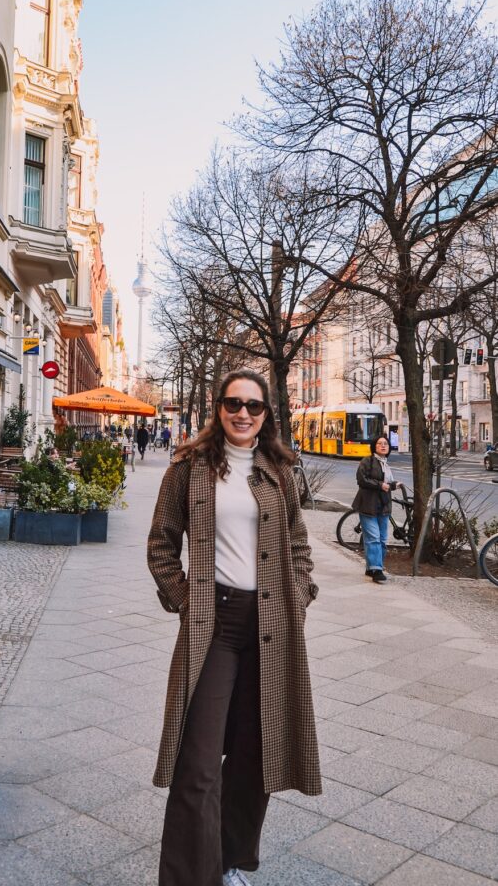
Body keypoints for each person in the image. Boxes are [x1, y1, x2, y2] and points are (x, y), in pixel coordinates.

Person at [147, 369, 321, 886]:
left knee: (255, 752)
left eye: (254, 406)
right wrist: (187, 601)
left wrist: (299, 597)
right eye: (233, 403)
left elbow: (298, 545)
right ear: (218, 408)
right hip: (215, 625)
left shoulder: (280, 470)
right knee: (199, 762)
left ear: (266, 414)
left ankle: (228, 862)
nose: (243, 413)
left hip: (272, 624)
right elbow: (160, 544)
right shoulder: (189, 467)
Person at [352, 435, 403, 584]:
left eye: (385, 443)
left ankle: (371, 567)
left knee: (382, 539)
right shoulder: (367, 461)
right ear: (374, 446)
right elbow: (361, 480)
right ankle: (377, 570)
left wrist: (394, 485)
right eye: (379, 443)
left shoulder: (386, 464)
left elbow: (386, 483)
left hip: (383, 506)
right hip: (368, 504)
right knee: (373, 538)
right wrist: (380, 485)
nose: (383, 445)